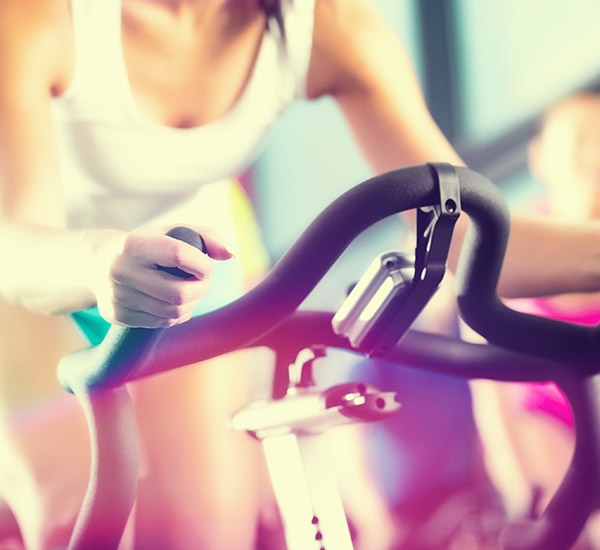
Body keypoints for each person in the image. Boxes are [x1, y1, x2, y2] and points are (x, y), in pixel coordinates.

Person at [1, 0, 600, 548]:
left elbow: (478, 239)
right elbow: (18, 243)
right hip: (40, 273)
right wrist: (100, 261)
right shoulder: (40, 17)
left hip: (186, 267)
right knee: (69, 519)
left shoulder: (329, 25)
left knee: (197, 535)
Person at [470, 91, 600, 549]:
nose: (593, 153)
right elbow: (491, 395)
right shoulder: (505, 250)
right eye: (580, 139)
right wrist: (516, 483)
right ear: (540, 158)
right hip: (543, 422)